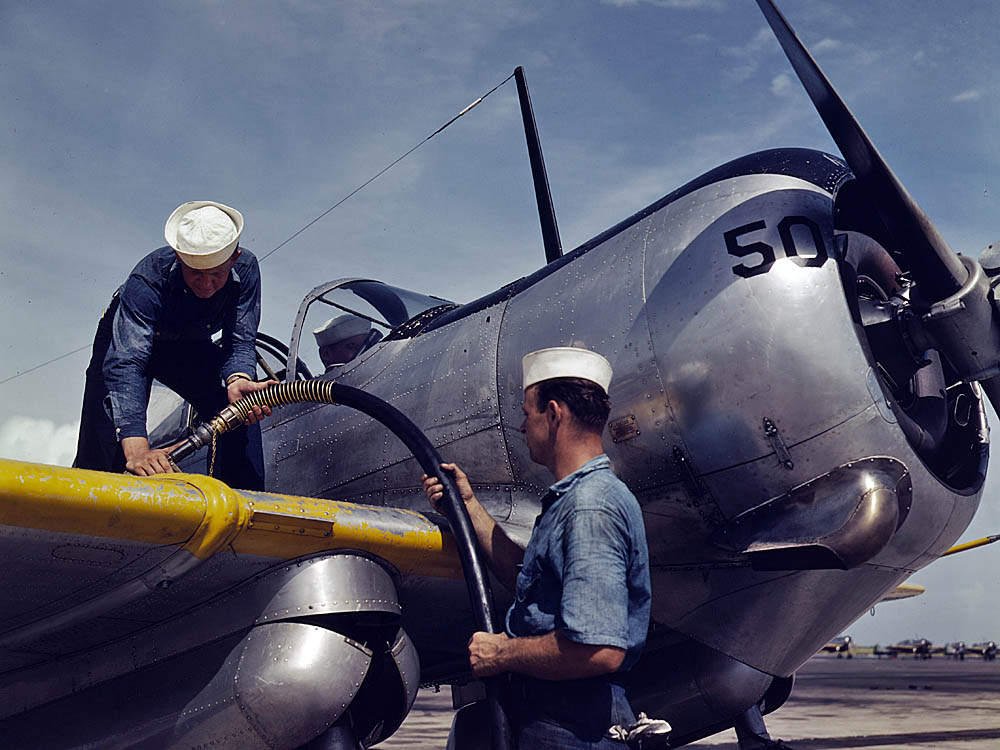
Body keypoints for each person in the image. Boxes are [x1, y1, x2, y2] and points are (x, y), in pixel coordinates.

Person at [422, 346, 651, 748]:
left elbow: (598, 650)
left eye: (527, 414)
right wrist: (469, 507)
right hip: (553, 715)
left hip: (571, 724)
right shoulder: (574, 498)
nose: (524, 428)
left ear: (554, 413)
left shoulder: (589, 506)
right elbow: (529, 584)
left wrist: (501, 654)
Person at [73, 201, 275, 489]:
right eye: (196, 274)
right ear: (179, 259)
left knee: (236, 409)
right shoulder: (146, 279)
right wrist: (137, 448)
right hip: (126, 343)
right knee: (105, 438)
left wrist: (238, 378)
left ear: (235, 259)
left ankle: (241, 503)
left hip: (187, 342)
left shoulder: (247, 270)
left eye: (216, 274)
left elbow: (241, 338)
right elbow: (128, 361)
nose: (206, 285)